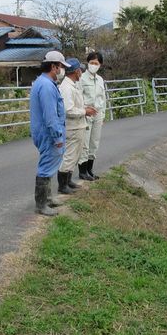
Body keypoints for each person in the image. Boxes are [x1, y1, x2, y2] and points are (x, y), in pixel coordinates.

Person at [29, 51, 70, 216]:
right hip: (48, 134)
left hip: (44, 132)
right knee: (46, 167)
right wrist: (57, 136)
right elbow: (50, 115)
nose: (61, 70)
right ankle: (41, 204)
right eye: (60, 67)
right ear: (54, 66)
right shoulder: (46, 86)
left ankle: (47, 198)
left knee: (50, 164)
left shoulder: (43, 82)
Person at [57, 58, 97, 195]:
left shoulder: (72, 84)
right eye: (80, 70)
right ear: (76, 71)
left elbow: (74, 105)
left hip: (77, 125)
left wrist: (85, 108)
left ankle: (67, 181)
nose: (81, 73)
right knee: (69, 156)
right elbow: (68, 110)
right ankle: (62, 185)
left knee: (74, 155)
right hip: (72, 127)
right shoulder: (67, 87)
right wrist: (85, 111)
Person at [78, 51, 107, 181]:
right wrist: (83, 110)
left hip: (98, 113)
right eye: (92, 63)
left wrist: (103, 115)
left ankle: (90, 169)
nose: (94, 65)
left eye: (96, 63)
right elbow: (78, 97)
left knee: (94, 142)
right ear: (87, 63)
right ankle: (82, 171)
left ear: (100, 65)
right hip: (86, 113)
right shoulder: (82, 78)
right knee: (85, 142)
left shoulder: (100, 79)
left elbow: (103, 98)